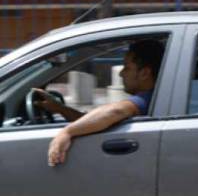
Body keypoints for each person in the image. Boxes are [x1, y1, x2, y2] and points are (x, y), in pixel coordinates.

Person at [35, 39, 165, 166]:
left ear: (144, 73)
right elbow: (91, 121)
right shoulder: (158, 96)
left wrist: (67, 132)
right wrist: (60, 109)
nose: (121, 74)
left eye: (127, 68)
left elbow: (115, 111)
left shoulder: (146, 99)